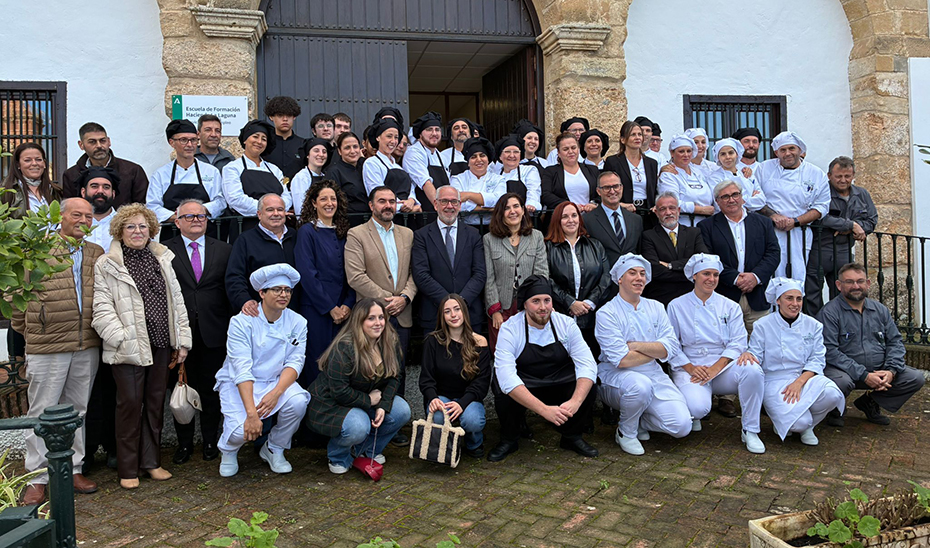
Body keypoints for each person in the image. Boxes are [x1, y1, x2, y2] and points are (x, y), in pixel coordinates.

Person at [92, 203, 192, 489]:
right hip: (128, 347)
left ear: (152, 230)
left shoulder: (162, 258)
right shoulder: (107, 262)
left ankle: (151, 463)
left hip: (161, 343)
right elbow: (101, 308)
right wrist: (121, 337)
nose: (138, 231)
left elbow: (177, 302)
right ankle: (127, 468)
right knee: (129, 406)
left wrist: (182, 341)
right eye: (131, 226)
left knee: (153, 404)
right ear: (120, 231)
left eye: (143, 226)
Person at [14, 198, 103, 505]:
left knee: (77, 410)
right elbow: (16, 295)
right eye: (76, 214)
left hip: (86, 343)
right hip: (48, 344)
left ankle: (72, 468)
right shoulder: (38, 249)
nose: (83, 220)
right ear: (60, 217)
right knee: (42, 411)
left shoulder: (95, 253)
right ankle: (36, 477)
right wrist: (33, 328)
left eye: (88, 216)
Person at [489, 276, 599, 461]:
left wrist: (575, 402)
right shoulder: (510, 329)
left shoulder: (566, 324)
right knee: (501, 388)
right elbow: (506, 377)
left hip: (558, 381)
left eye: (547, 300)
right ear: (524, 304)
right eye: (536, 301)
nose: (543, 307)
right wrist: (544, 410)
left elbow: (587, 364)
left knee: (589, 384)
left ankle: (571, 436)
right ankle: (510, 439)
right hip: (526, 383)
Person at [215, 264, 309, 477]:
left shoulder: (298, 322)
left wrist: (276, 394)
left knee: (298, 401)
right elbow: (241, 368)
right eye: (276, 289)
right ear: (262, 293)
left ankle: (274, 447)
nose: (283, 294)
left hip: (275, 381)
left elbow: (294, 362)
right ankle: (229, 450)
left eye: (287, 290)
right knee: (242, 431)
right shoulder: (241, 322)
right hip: (239, 383)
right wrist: (251, 414)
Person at [666, 254, 766, 453]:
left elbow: (738, 341)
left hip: (722, 366)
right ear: (694, 276)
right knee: (697, 408)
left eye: (715, 275)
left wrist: (715, 368)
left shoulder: (729, 305)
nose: (711, 279)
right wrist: (691, 367)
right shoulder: (676, 305)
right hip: (690, 366)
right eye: (706, 274)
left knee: (753, 370)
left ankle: (750, 429)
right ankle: (695, 414)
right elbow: (671, 344)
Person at [596, 253, 691, 456]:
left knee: (681, 426)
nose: (639, 278)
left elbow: (672, 347)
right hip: (616, 377)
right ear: (620, 278)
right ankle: (626, 432)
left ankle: (638, 418)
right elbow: (622, 360)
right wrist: (656, 350)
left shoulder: (656, 307)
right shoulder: (606, 313)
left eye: (642, 274)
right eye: (632, 273)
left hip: (654, 373)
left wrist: (636, 346)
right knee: (640, 386)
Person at [344, 186, 417, 441]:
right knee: (369, 370)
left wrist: (405, 297)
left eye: (392, 201)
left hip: (402, 312)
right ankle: (366, 423)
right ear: (371, 205)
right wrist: (386, 301)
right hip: (371, 315)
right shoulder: (356, 234)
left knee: (397, 370)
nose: (388, 205)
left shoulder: (407, 234)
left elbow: (413, 273)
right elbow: (355, 276)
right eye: (382, 201)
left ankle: (393, 424)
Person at [307, 298, 411, 474]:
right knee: (358, 426)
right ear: (359, 321)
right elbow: (339, 391)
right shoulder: (344, 347)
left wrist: (383, 406)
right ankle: (338, 456)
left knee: (402, 411)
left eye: (381, 317)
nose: (378, 323)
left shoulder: (388, 341)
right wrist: (370, 400)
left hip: (361, 400)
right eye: (371, 318)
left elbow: (395, 376)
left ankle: (365, 450)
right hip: (331, 403)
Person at [164, 199, 233, 465]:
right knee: (180, 389)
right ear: (177, 221)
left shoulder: (225, 250)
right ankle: (183, 444)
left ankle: (209, 441)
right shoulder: (164, 251)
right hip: (179, 335)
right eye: (190, 216)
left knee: (210, 391)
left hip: (214, 331)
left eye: (201, 216)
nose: (196, 220)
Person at [737, 278, 845, 446]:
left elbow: (817, 359)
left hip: (805, 377)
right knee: (797, 423)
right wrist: (747, 354)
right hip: (774, 381)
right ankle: (798, 424)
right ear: (778, 301)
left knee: (833, 394)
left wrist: (799, 382)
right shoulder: (763, 325)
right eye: (789, 298)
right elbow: (755, 353)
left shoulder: (814, 325)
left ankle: (809, 425)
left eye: (799, 299)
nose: (795, 303)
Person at [817, 263, 925, 427]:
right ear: (839, 285)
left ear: (867, 283)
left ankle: (870, 402)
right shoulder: (829, 313)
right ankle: (835, 409)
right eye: (849, 282)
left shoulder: (880, 310)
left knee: (914, 378)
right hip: (844, 372)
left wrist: (891, 370)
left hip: (879, 370)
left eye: (860, 281)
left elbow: (895, 342)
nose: (856, 286)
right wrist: (864, 375)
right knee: (840, 383)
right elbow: (830, 352)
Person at [698, 180, 780, 336]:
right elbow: (709, 259)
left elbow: (773, 253)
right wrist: (736, 278)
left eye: (735, 194)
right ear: (717, 202)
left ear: (742, 197)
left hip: (757, 295)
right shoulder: (707, 227)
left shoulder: (763, 223)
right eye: (725, 197)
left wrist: (755, 277)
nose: (731, 200)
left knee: (761, 346)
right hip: (725, 294)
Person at [295, 180, 355, 386]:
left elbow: (353, 273)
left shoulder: (345, 232)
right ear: (313, 203)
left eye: (333, 198)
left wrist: (347, 304)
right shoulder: (307, 232)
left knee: (342, 364)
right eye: (323, 199)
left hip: (344, 312)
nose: (329, 203)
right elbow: (307, 274)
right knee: (316, 365)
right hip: (317, 310)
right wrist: (330, 308)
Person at [419, 294, 491, 458]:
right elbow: (426, 378)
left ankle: (474, 443)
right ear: (442, 317)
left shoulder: (479, 342)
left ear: (464, 312)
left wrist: (462, 403)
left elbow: (482, 382)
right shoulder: (433, 341)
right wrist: (433, 398)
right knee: (438, 416)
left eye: (457, 309)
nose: (453, 315)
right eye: (447, 311)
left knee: (472, 420)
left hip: (469, 398)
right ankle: (448, 446)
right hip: (442, 397)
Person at [754, 131, 830, 283]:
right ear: (776, 152)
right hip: (770, 230)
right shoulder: (763, 169)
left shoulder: (816, 174)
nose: (787, 153)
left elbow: (821, 207)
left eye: (791, 149)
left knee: (798, 275)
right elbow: (755, 198)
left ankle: (796, 306)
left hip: (799, 232)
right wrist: (774, 216)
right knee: (771, 274)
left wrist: (795, 221)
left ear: (800, 150)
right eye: (783, 150)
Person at [804, 156, 878, 314]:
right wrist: (851, 225)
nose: (843, 180)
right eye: (838, 176)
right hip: (819, 249)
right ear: (829, 176)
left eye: (847, 176)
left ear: (853, 175)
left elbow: (871, 220)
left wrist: (853, 229)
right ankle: (817, 328)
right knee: (812, 293)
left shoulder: (861, 194)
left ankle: (841, 326)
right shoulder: (821, 191)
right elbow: (819, 215)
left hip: (844, 249)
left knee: (844, 291)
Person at [412, 185, 487, 331]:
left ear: (459, 206)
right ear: (435, 204)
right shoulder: (421, 236)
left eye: (454, 202)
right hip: (434, 314)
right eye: (444, 201)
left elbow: (480, 273)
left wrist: (461, 302)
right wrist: (447, 303)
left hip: (469, 312)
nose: (449, 206)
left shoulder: (473, 235)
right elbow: (421, 274)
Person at [483, 193, 548, 351]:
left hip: (529, 307)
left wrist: (536, 304)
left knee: (529, 350)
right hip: (502, 307)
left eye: (516, 206)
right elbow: (489, 278)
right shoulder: (489, 239)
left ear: (523, 210)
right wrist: (495, 310)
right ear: (500, 213)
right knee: (503, 351)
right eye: (507, 208)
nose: (512, 211)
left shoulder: (536, 237)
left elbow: (542, 274)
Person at [545, 201, 611, 355]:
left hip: (591, 317)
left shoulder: (595, 245)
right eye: (565, 217)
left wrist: (589, 303)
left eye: (574, 215)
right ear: (557, 221)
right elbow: (546, 279)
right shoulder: (548, 247)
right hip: (561, 315)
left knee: (590, 358)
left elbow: (606, 277)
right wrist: (570, 303)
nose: (571, 220)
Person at [226, 193, 298, 316]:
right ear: (259, 214)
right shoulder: (245, 240)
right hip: (259, 314)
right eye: (270, 210)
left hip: (294, 313)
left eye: (280, 210)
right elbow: (235, 276)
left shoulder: (296, 236)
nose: (276, 213)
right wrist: (245, 300)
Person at [146, 119, 226, 228]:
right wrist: (180, 218)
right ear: (172, 142)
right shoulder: (160, 174)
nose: (189, 145)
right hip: (172, 233)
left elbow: (220, 201)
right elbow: (153, 206)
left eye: (193, 140)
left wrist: (199, 212)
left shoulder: (211, 171)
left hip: (205, 233)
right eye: (183, 140)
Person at [222, 120, 292, 234]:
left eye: (264, 139)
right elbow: (235, 198)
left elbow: (286, 195)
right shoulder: (232, 168)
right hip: (245, 226)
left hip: (276, 226)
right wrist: (268, 211)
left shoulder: (275, 170)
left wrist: (277, 211)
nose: (259, 142)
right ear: (245, 140)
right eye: (255, 137)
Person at [641, 192, 709, 306]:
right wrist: (690, 273)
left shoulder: (693, 233)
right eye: (663, 209)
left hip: (692, 297)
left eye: (672, 208)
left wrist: (671, 265)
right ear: (656, 213)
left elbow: (703, 261)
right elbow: (654, 270)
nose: (668, 212)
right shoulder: (648, 236)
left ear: (678, 210)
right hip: (662, 298)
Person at [61, 122, 148, 209]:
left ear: (109, 141)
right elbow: (70, 209)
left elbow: (142, 208)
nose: (99, 146)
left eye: (103, 140)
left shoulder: (133, 171)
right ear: (81, 145)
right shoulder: (71, 175)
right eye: (92, 142)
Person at [582, 171, 644, 277]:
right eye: (606, 187)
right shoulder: (587, 220)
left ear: (621, 188)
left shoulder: (636, 219)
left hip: (631, 282)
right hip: (603, 282)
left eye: (616, 186)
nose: (612, 191)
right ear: (598, 191)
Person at [362, 118, 419, 215]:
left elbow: (411, 189)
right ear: (378, 137)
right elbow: (377, 195)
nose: (393, 141)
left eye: (396, 137)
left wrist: (411, 200)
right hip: (386, 216)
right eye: (389, 136)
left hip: (406, 218)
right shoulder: (371, 163)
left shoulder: (398, 166)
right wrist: (404, 207)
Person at [603, 121, 659, 214]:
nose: (637, 138)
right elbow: (606, 188)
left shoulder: (652, 163)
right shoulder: (613, 162)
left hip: (648, 212)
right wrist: (620, 204)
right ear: (623, 139)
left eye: (639, 134)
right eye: (633, 135)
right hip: (624, 211)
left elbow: (655, 189)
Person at [658, 134, 715, 227]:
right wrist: (698, 209)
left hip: (706, 225)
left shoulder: (698, 172)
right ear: (672, 153)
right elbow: (670, 202)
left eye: (689, 151)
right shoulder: (668, 175)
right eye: (681, 151)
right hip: (684, 225)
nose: (686, 155)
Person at [451, 137, 507, 225]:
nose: (479, 160)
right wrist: (488, 208)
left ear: (488, 160)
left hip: (493, 227)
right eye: (473, 157)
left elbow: (500, 201)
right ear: (468, 162)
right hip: (465, 227)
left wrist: (469, 195)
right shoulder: (457, 179)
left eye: (482, 155)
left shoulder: (498, 179)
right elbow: (455, 204)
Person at [404, 111, 450, 216]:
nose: (434, 133)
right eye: (429, 130)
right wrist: (441, 209)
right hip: (425, 214)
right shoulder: (413, 152)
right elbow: (425, 183)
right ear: (420, 134)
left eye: (437, 130)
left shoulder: (441, 156)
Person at [1, 142, 62, 218]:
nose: (34, 163)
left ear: (44, 164)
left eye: (38, 159)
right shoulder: (7, 191)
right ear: (18, 165)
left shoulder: (56, 191)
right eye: (27, 160)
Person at [541, 133, 599, 211]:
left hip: (589, 217)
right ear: (558, 153)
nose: (570, 151)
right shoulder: (550, 171)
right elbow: (546, 195)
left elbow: (602, 191)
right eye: (565, 149)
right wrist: (569, 205)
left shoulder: (592, 170)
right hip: (562, 217)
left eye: (573, 148)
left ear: (578, 149)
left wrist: (594, 203)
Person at [706, 137, 766, 212]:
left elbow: (762, 200)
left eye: (731, 153)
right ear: (718, 157)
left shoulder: (746, 173)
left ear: (737, 154)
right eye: (723, 154)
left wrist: (738, 203)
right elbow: (719, 205)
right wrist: (750, 199)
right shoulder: (714, 178)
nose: (727, 157)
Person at [325, 131, 369, 220]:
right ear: (339, 151)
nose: (352, 151)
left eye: (355, 147)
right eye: (347, 148)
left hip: (372, 219)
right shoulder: (334, 171)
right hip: (350, 220)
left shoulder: (366, 165)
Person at [495, 133, 542, 212]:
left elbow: (534, 191)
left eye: (516, 152)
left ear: (520, 156)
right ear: (500, 156)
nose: (512, 155)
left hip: (525, 218)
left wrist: (530, 205)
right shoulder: (495, 174)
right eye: (507, 152)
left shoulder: (529, 171)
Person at [262, 96, 305, 179]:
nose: (285, 119)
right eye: (280, 115)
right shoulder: (264, 144)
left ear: (294, 117)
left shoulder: (303, 144)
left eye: (289, 115)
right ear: (271, 117)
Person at [290, 137, 332, 217]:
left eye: (324, 151)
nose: (321, 154)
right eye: (316, 151)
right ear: (307, 155)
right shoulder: (301, 177)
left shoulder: (327, 176)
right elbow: (300, 210)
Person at [79, 167, 118, 253]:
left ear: (113, 194)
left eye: (106, 187)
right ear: (83, 192)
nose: (100, 191)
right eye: (94, 186)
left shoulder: (125, 223)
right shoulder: (72, 223)